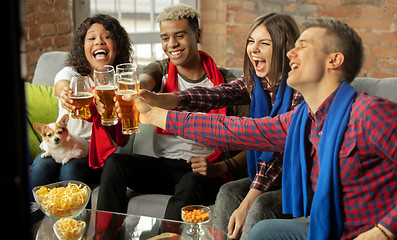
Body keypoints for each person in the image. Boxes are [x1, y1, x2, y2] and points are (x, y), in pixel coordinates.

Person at [119, 17, 397, 239]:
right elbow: (232, 130)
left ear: (334, 60)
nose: (290, 52)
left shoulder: (371, 114)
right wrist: (156, 113)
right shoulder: (305, 118)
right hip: (332, 227)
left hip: (369, 231)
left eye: (301, 46)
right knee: (264, 231)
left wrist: (384, 231)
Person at [139, 12, 302, 239]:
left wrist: (246, 204)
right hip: (267, 176)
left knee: (259, 205)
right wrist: (163, 99)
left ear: (286, 48)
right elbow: (213, 95)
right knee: (228, 192)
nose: (253, 49)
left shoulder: (300, 91)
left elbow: (275, 152)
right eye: (251, 41)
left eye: (264, 43)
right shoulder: (257, 82)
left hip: (297, 179)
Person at [96, 4, 245, 221]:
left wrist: (219, 168)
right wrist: (134, 89)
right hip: (165, 166)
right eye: (165, 38)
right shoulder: (162, 69)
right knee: (116, 163)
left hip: (203, 169)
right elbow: (145, 81)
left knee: (191, 181)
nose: (171, 44)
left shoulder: (227, 83)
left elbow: (253, 142)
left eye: (180, 35)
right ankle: (104, 235)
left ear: (198, 35)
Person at [29, 14, 133, 194]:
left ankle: (75, 221)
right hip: (61, 145)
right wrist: (66, 94)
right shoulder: (72, 73)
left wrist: (107, 114)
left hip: (97, 155)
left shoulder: (122, 82)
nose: (99, 42)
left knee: (70, 169)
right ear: (82, 47)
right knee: (40, 167)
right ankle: (33, 219)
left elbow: (123, 138)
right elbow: (62, 85)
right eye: (91, 38)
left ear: (118, 46)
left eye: (106, 37)